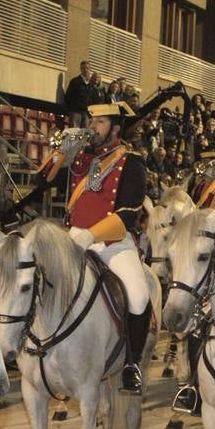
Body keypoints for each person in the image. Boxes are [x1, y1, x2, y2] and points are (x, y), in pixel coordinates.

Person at [38, 101, 151, 393]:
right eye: (91, 120)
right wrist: (61, 150)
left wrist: (91, 235)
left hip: (112, 242)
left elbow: (128, 214)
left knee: (138, 296)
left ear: (115, 128)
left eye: (100, 122)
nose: (92, 127)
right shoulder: (78, 158)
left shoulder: (133, 162)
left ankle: (132, 364)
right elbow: (42, 180)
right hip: (73, 237)